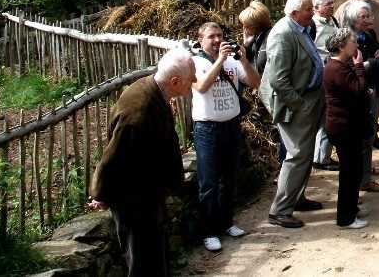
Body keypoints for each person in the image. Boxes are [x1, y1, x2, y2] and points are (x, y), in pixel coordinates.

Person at [88, 48, 196, 277]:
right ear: (175, 81)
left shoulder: (154, 90)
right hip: (136, 202)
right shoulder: (141, 112)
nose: (194, 81)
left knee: (155, 259)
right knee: (145, 264)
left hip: (148, 195)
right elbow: (115, 157)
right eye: (191, 78)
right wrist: (101, 194)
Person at [191, 22, 261, 252]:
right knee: (209, 183)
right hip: (207, 129)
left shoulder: (233, 60)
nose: (217, 40)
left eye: (220, 35)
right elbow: (201, 86)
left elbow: (254, 81)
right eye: (211, 36)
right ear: (201, 40)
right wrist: (220, 61)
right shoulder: (195, 62)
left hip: (232, 126)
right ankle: (209, 231)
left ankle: (226, 222)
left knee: (228, 180)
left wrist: (243, 59)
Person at [260, 0, 326, 229]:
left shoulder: (300, 28)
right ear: (294, 12)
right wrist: (300, 105)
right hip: (295, 104)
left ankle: (297, 198)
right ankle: (280, 210)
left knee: (305, 152)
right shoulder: (283, 34)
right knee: (298, 153)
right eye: (309, 9)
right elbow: (278, 80)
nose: (313, 12)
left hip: (308, 97)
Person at [323, 27, 371, 229]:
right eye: (353, 42)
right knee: (349, 173)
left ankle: (352, 208)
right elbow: (358, 91)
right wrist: (359, 66)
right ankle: (345, 217)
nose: (357, 45)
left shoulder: (340, 66)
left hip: (349, 126)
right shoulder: (336, 68)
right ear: (342, 46)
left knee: (354, 170)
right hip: (343, 128)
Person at [343, 0, 379, 193]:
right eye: (364, 17)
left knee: (369, 135)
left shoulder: (369, 35)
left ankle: (365, 178)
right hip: (359, 93)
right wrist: (372, 60)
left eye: (369, 16)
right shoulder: (348, 39)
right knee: (360, 138)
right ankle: (359, 181)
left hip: (373, 89)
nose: (369, 20)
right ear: (353, 20)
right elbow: (352, 65)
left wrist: (373, 61)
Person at [311, 0, 339, 170]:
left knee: (328, 115)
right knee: (325, 115)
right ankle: (320, 158)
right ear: (316, 8)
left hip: (333, 73)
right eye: (327, 4)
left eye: (332, 3)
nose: (331, 7)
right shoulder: (313, 25)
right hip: (321, 75)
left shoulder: (333, 22)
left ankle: (323, 155)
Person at [240, 0, 272, 77]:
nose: (244, 28)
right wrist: (246, 45)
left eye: (247, 25)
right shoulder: (255, 38)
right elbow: (246, 63)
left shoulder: (271, 38)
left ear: (256, 25)